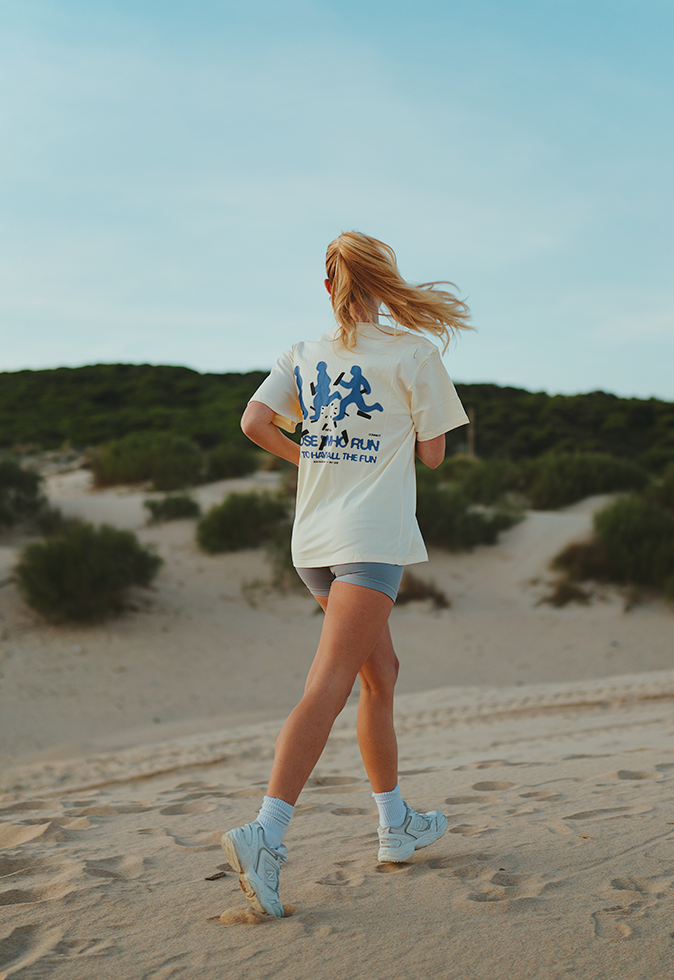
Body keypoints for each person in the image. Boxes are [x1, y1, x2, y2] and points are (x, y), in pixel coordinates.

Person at [220, 230, 474, 918]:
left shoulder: (303, 355)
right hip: (369, 541)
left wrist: (312, 457)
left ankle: (395, 825)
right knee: (329, 683)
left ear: (329, 287)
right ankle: (265, 834)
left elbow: (253, 421)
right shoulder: (415, 353)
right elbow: (434, 456)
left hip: (314, 543)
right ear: (385, 283)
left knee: (378, 675)